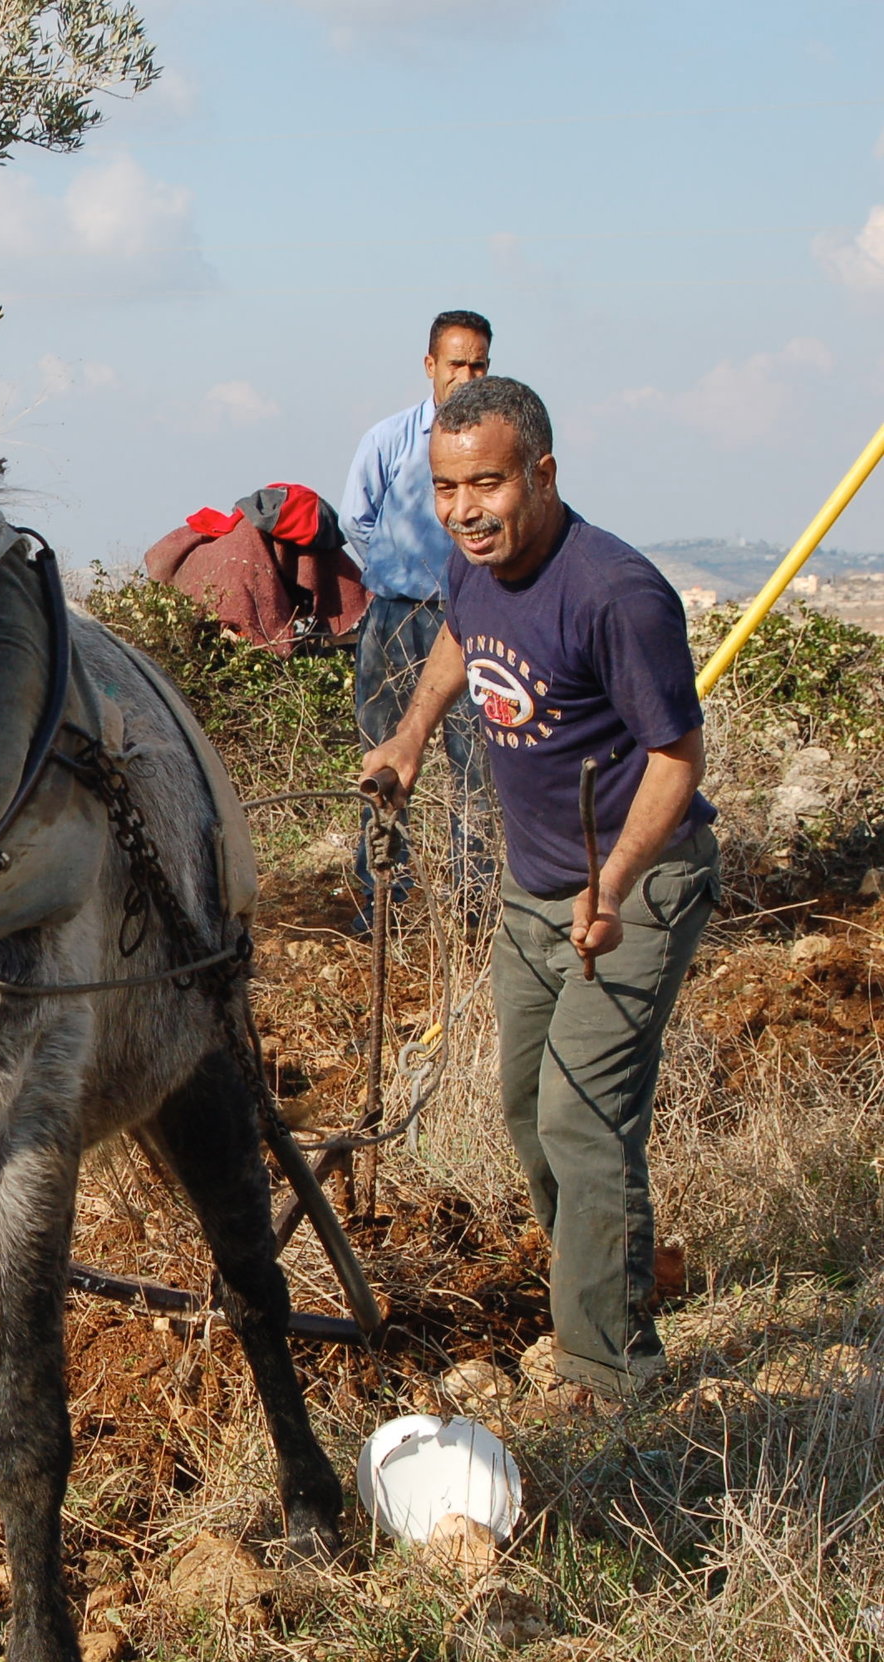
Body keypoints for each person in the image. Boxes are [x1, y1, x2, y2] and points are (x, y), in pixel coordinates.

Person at [360, 376, 717, 1403]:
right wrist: (410, 738)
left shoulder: (615, 593)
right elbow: (460, 640)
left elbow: (677, 759)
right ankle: (613, 1275)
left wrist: (609, 884)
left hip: (638, 884)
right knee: (527, 1105)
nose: (464, 508)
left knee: (580, 1117)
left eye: (488, 484)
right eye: (444, 487)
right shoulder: (476, 566)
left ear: (542, 475)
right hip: (536, 887)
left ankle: (611, 1373)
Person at [343, 309, 498, 918]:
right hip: (392, 621)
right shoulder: (390, 439)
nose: (467, 375)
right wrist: (398, 568)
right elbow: (359, 518)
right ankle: (384, 896)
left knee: (476, 764)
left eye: (479, 364)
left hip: (470, 622)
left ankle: (474, 903)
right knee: (383, 756)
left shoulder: (499, 446)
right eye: (456, 363)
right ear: (431, 366)